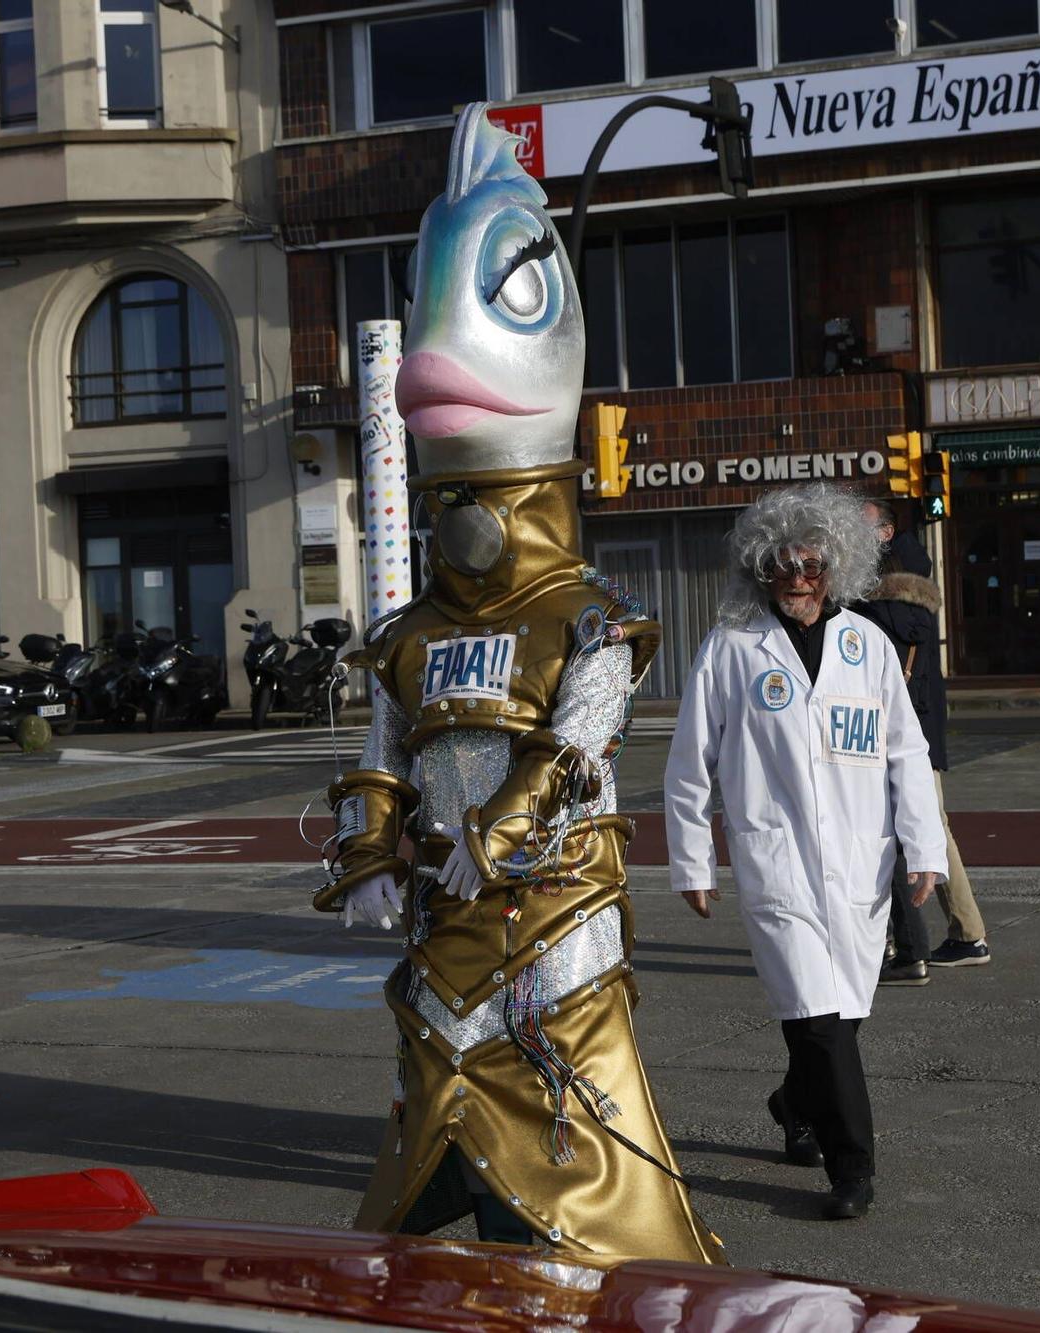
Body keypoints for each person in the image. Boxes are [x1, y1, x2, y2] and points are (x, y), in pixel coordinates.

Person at [314, 104, 722, 1265]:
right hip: (442, 912)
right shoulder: (404, 633)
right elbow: (385, 748)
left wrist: (499, 830)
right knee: (434, 1067)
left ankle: (584, 1255)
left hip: (553, 907)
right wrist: (363, 850)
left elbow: (578, 742)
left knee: (561, 1083)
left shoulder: (587, 617)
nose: (463, 527)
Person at [663, 483, 947, 1221]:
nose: (798, 576)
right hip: (777, 862)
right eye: (783, 562)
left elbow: (906, 753)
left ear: (837, 565)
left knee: (839, 1018)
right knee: (818, 1017)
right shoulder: (731, 647)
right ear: (760, 566)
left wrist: (923, 847)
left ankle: (792, 1102)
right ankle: (853, 1167)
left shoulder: (870, 645)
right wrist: (694, 861)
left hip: (860, 863)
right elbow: (692, 761)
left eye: (813, 562)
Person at [853, 497, 990, 971]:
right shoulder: (893, 571)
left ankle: (967, 933)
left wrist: (859, 602)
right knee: (907, 827)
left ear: (886, 532)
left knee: (930, 827)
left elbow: (906, 632)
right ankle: (948, 934)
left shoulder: (900, 577)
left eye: (862, 525)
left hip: (911, 721)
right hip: (911, 718)